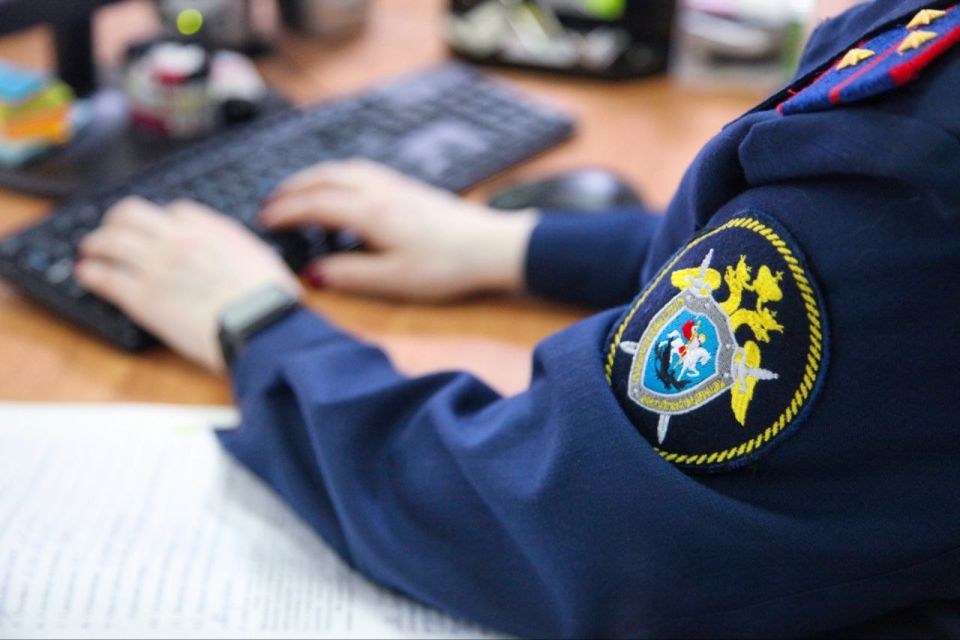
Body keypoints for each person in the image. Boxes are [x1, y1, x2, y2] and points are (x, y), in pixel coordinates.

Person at [73, 0, 960, 636]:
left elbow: (569, 522)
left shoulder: (923, 153)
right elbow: (843, 266)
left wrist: (259, 327)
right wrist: (518, 247)